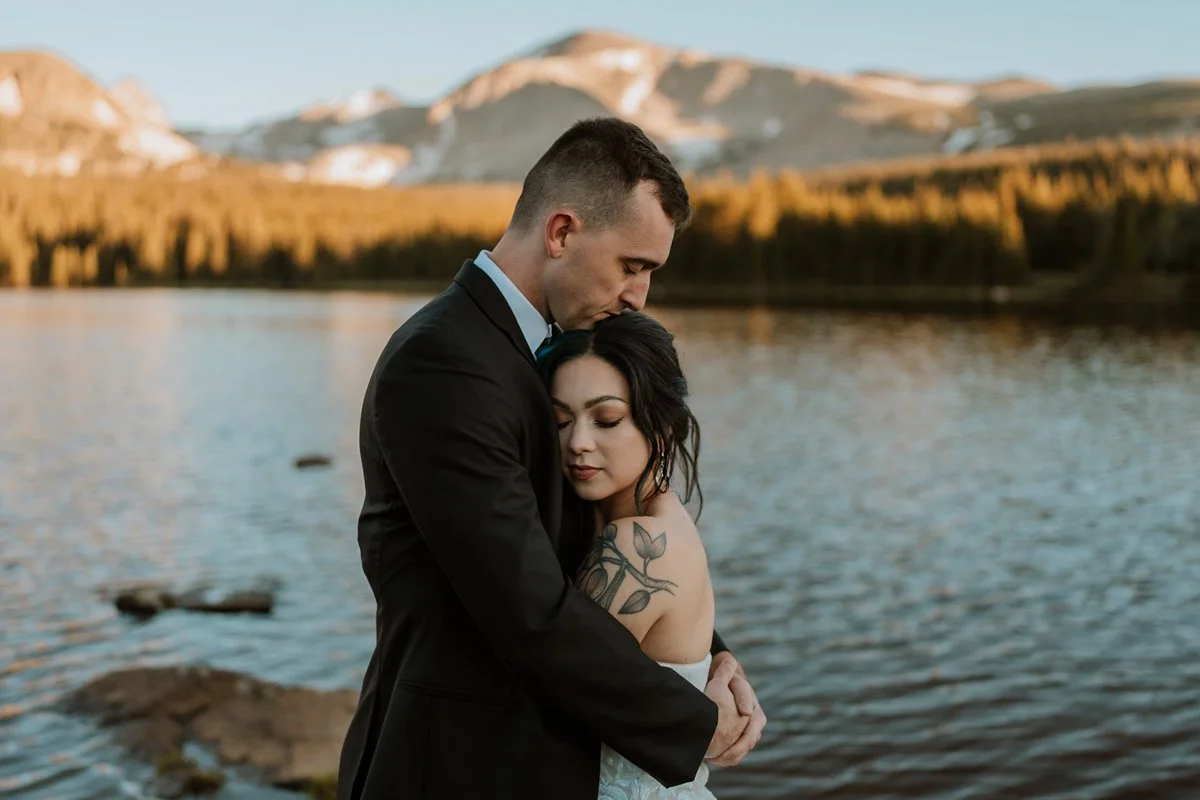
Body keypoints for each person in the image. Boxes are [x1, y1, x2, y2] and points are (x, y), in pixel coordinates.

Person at [337, 116, 766, 800]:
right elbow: (529, 609)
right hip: (454, 766)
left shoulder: (537, 351)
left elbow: (580, 545)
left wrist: (705, 651)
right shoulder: (445, 361)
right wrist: (693, 720)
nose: (639, 296)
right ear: (562, 232)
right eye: (633, 266)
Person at [538, 310, 724, 798]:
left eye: (606, 420)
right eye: (561, 420)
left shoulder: (638, 547)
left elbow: (548, 695)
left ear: (660, 427)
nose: (577, 442)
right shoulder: (658, 513)